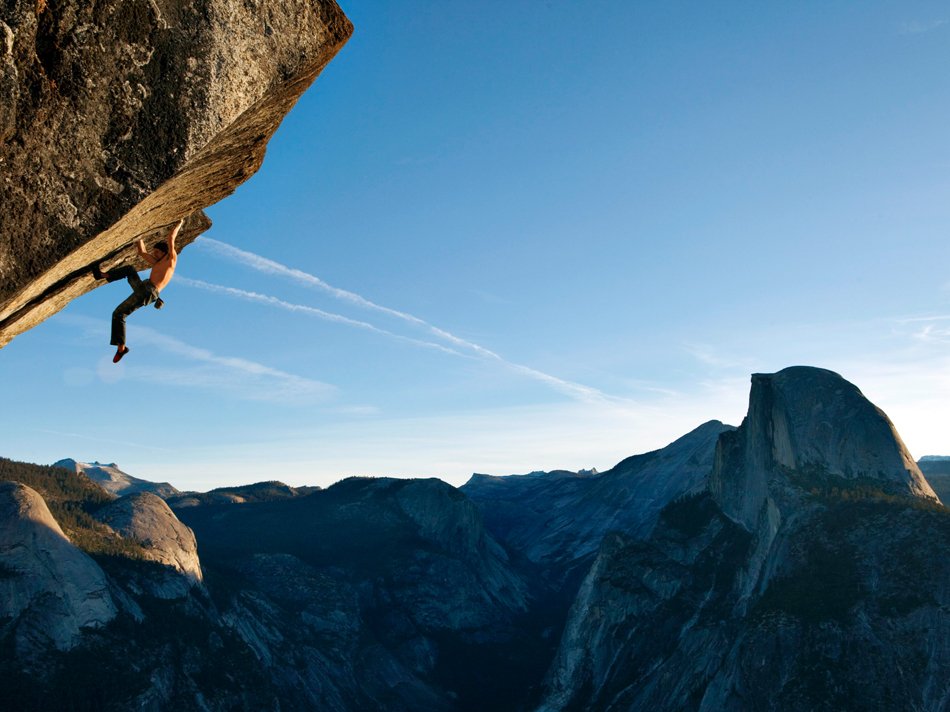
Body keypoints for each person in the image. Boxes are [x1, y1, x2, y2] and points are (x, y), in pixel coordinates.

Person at [92, 218, 183, 363]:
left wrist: (179, 223)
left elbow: (171, 237)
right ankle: (102, 275)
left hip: (148, 291)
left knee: (119, 314)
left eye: (157, 253)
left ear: (164, 252)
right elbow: (142, 252)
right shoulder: (158, 262)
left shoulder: (170, 260)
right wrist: (138, 234)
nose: (154, 255)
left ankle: (121, 349)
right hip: (144, 289)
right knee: (130, 270)